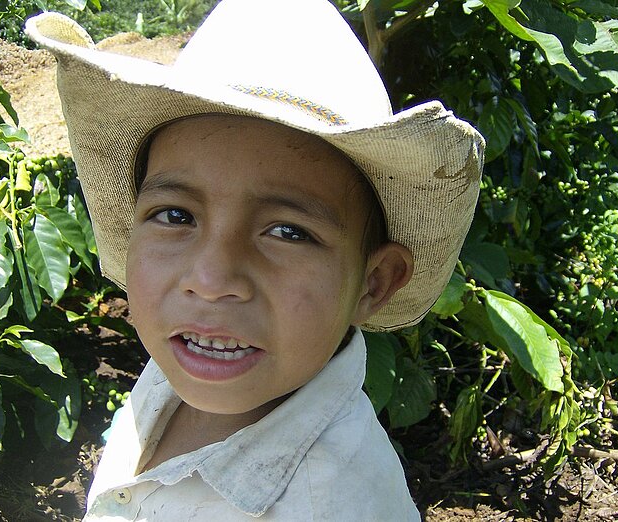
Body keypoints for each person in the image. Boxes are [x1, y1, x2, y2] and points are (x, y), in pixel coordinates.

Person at [25, 0, 484, 520]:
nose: (211, 279)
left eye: (288, 232)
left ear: (373, 284)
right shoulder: (182, 368)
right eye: (175, 216)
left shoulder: (334, 505)